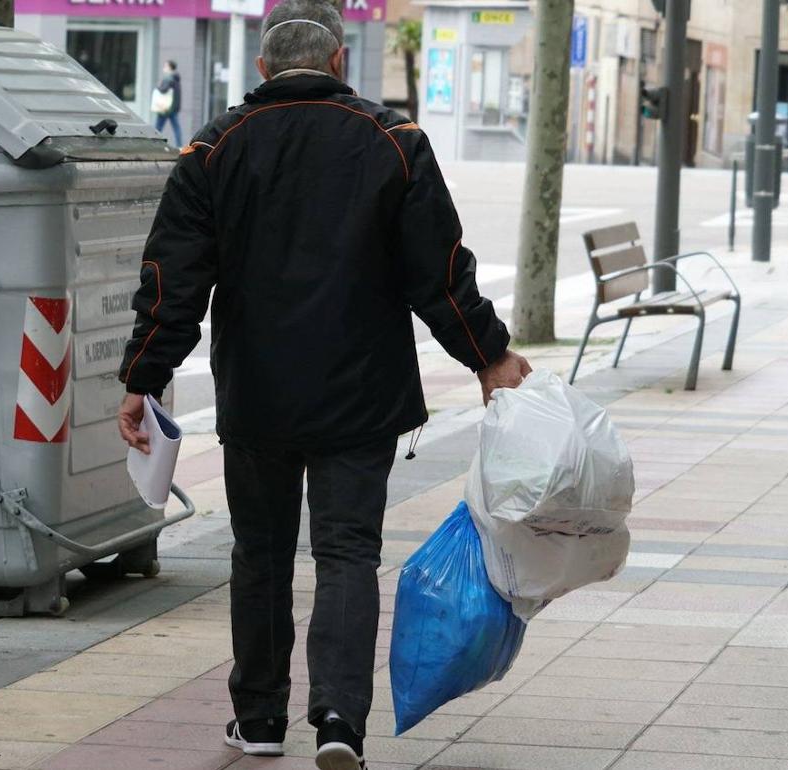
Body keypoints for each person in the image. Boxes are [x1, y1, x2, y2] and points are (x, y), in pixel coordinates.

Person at [116, 2, 529, 769]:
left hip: (260, 393)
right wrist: (489, 356)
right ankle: (339, 721)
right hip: (361, 393)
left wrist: (144, 378)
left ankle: (262, 719)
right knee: (346, 554)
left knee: (261, 554)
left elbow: (172, 283)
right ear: (340, 63)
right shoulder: (394, 142)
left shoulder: (213, 148)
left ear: (263, 72)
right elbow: (438, 273)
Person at [153, 60, 183, 147]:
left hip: (165, 108)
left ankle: (155, 144)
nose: (164, 68)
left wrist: (157, 87)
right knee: (176, 128)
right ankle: (179, 145)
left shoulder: (169, 78)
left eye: (165, 66)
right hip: (173, 108)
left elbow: (164, 90)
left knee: (157, 128)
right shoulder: (176, 78)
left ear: (170, 67)